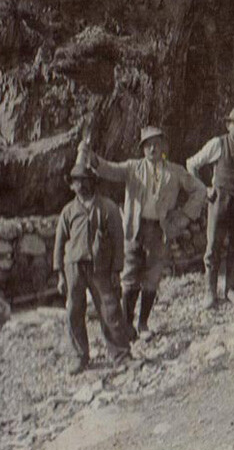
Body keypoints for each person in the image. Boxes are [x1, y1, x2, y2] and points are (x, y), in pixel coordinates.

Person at [83, 124, 205, 337]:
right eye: (147, 145)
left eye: (156, 144)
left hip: (159, 229)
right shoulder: (133, 168)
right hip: (134, 228)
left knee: (152, 276)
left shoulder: (175, 172)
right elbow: (108, 169)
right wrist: (89, 156)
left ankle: (143, 324)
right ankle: (127, 325)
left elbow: (200, 190)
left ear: (163, 146)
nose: (152, 149)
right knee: (129, 275)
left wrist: (184, 216)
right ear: (142, 149)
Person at [50, 162, 135, 373]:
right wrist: (60, 274)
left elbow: (118, 240)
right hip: (74, 268)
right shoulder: (68, 212)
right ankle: (79, 357)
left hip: (101, 269)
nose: (81, 185)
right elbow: (59, 244)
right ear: (71, 186)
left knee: (110, 310)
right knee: (74, 312)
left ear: (93, 182)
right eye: (77, 181)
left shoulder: (108, 207)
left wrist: (117, 270)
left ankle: (121, 355)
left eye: (85, 180)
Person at [183, 108, 234, 307]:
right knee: (213, 248)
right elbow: (191, 164)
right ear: (228, 125)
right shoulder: (218, 144)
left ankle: (230, 290)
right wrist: (205, 190)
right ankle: (210, 292)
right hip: (219, 202)